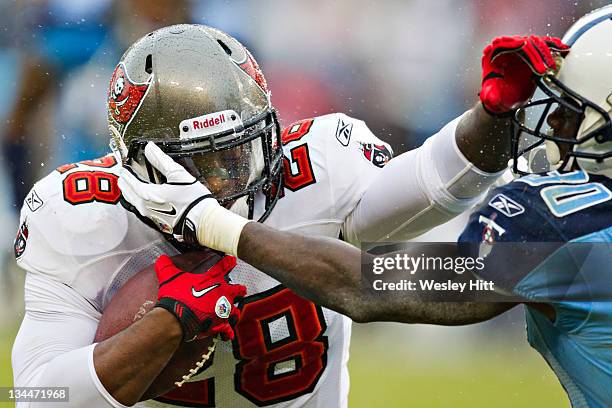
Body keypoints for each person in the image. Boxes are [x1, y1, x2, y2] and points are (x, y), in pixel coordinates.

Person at [12, 23, 564, 407]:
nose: (230, 180)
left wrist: (492, 113)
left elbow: (433, 184)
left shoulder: (316, 166)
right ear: (141, 164)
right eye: (203, 165)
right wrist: (167, 324)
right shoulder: (80, 216)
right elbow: (36, 396)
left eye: (240, 153)